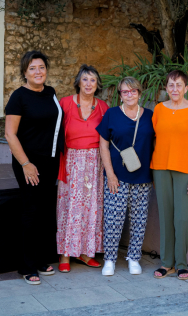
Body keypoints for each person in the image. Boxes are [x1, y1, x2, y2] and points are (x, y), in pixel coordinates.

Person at [4, 51, 64, 285]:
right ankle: (26, 266)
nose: (38, 72)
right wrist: (26, 164)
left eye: (41, 67)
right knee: (30, 212)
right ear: (25, 73)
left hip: (51, 161)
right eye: (32, 68)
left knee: (44, 213)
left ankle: (39, 259)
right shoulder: (19, 97)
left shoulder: (50, 93)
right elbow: (10, 134)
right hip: (29, 162)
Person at [151, 70, 188, 280]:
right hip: (161, 169)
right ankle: (167, 264)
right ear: (166, 88)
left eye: (179, 85)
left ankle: (181, 263)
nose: (174, 89)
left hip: (186, 171)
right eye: (170, 85)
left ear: (186, 88)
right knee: (165, 217)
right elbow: (154, 139)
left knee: (182, 219)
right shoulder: (159, 109)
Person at [96, 76, 154, 276]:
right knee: (113, 219)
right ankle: (110, 259)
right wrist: (110, 174)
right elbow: (103, 144)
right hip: (117, 177)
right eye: (125, 91)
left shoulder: (149, 116)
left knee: (139, 219)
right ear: (119, 94)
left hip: (143, 177)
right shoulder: (112, 114)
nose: (129, 95)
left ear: (139, 92)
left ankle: (134, 258)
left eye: (133, 91)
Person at [56, 65, 109, 273]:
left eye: (93, 80)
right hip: (70, 161)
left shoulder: (103, 107)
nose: (88, 84)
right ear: (78, 82)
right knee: (69, 208)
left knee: (91, 208)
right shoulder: (65, 104)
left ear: (97, 85)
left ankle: (86, 252)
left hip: (95, 162)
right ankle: (65, 254)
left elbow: (109, 137)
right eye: (85, 80)